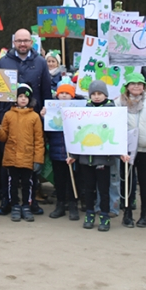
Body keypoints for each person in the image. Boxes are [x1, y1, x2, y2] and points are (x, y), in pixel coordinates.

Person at [0, 29, 53, 213]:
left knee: (32, 162)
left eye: (26, 41)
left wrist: (47, 113)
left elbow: (46, 91)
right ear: (14, 42)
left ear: (31, 42)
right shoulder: (4, 61)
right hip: (9, 118)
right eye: (19, 40)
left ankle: (31, 201)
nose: (22, 44)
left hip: (32, 118)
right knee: (6, 162)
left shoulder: (40, 62)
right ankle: (7, 200)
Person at [69, 79, 115, 231]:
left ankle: (104, 215)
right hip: (86, 158)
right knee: (88, 188)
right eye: (93, 94)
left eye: (100, 93)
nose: (96, 96)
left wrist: (120, 152)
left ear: (105, 95)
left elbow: (116, 132)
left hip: (103, 158)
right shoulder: (84, 111)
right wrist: (74, 154)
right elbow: (80, 133)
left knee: (103, 189)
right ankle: (89, 213)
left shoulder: (112, 111)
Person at [0, 83, 44, 223]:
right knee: (12, 182)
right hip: (11, 155)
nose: (23, 99)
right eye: (20, 96)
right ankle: (14, 204)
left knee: (28, 183)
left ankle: (26, 205)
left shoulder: (34, 117)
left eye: (25, 97)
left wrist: (38, 159)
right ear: (15, 99)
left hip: (28, 156)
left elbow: (39, 139)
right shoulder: (8, 115)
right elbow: (4, 137)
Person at [118, 73, 146, 228]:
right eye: (132, 83)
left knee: (144, 182)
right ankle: (127, 213)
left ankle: (145, 213)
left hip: (145, 148)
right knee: (127, 181)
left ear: (144, 87)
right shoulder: (118, 102)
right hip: (126, 149)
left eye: (139, 84)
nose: (136, 86)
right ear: (127, 86)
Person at [40, 79, 80, 221]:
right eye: (61, 93)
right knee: (59, 180)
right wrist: (44, 117)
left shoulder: (78, 110)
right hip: (57, 151)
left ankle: (73, 205)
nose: (63, 95)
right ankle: (61, 205)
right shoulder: (51, 109)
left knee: (73, 180)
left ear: (72, 96)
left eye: (67, 93)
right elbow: (48, 131)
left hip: (73, 152)